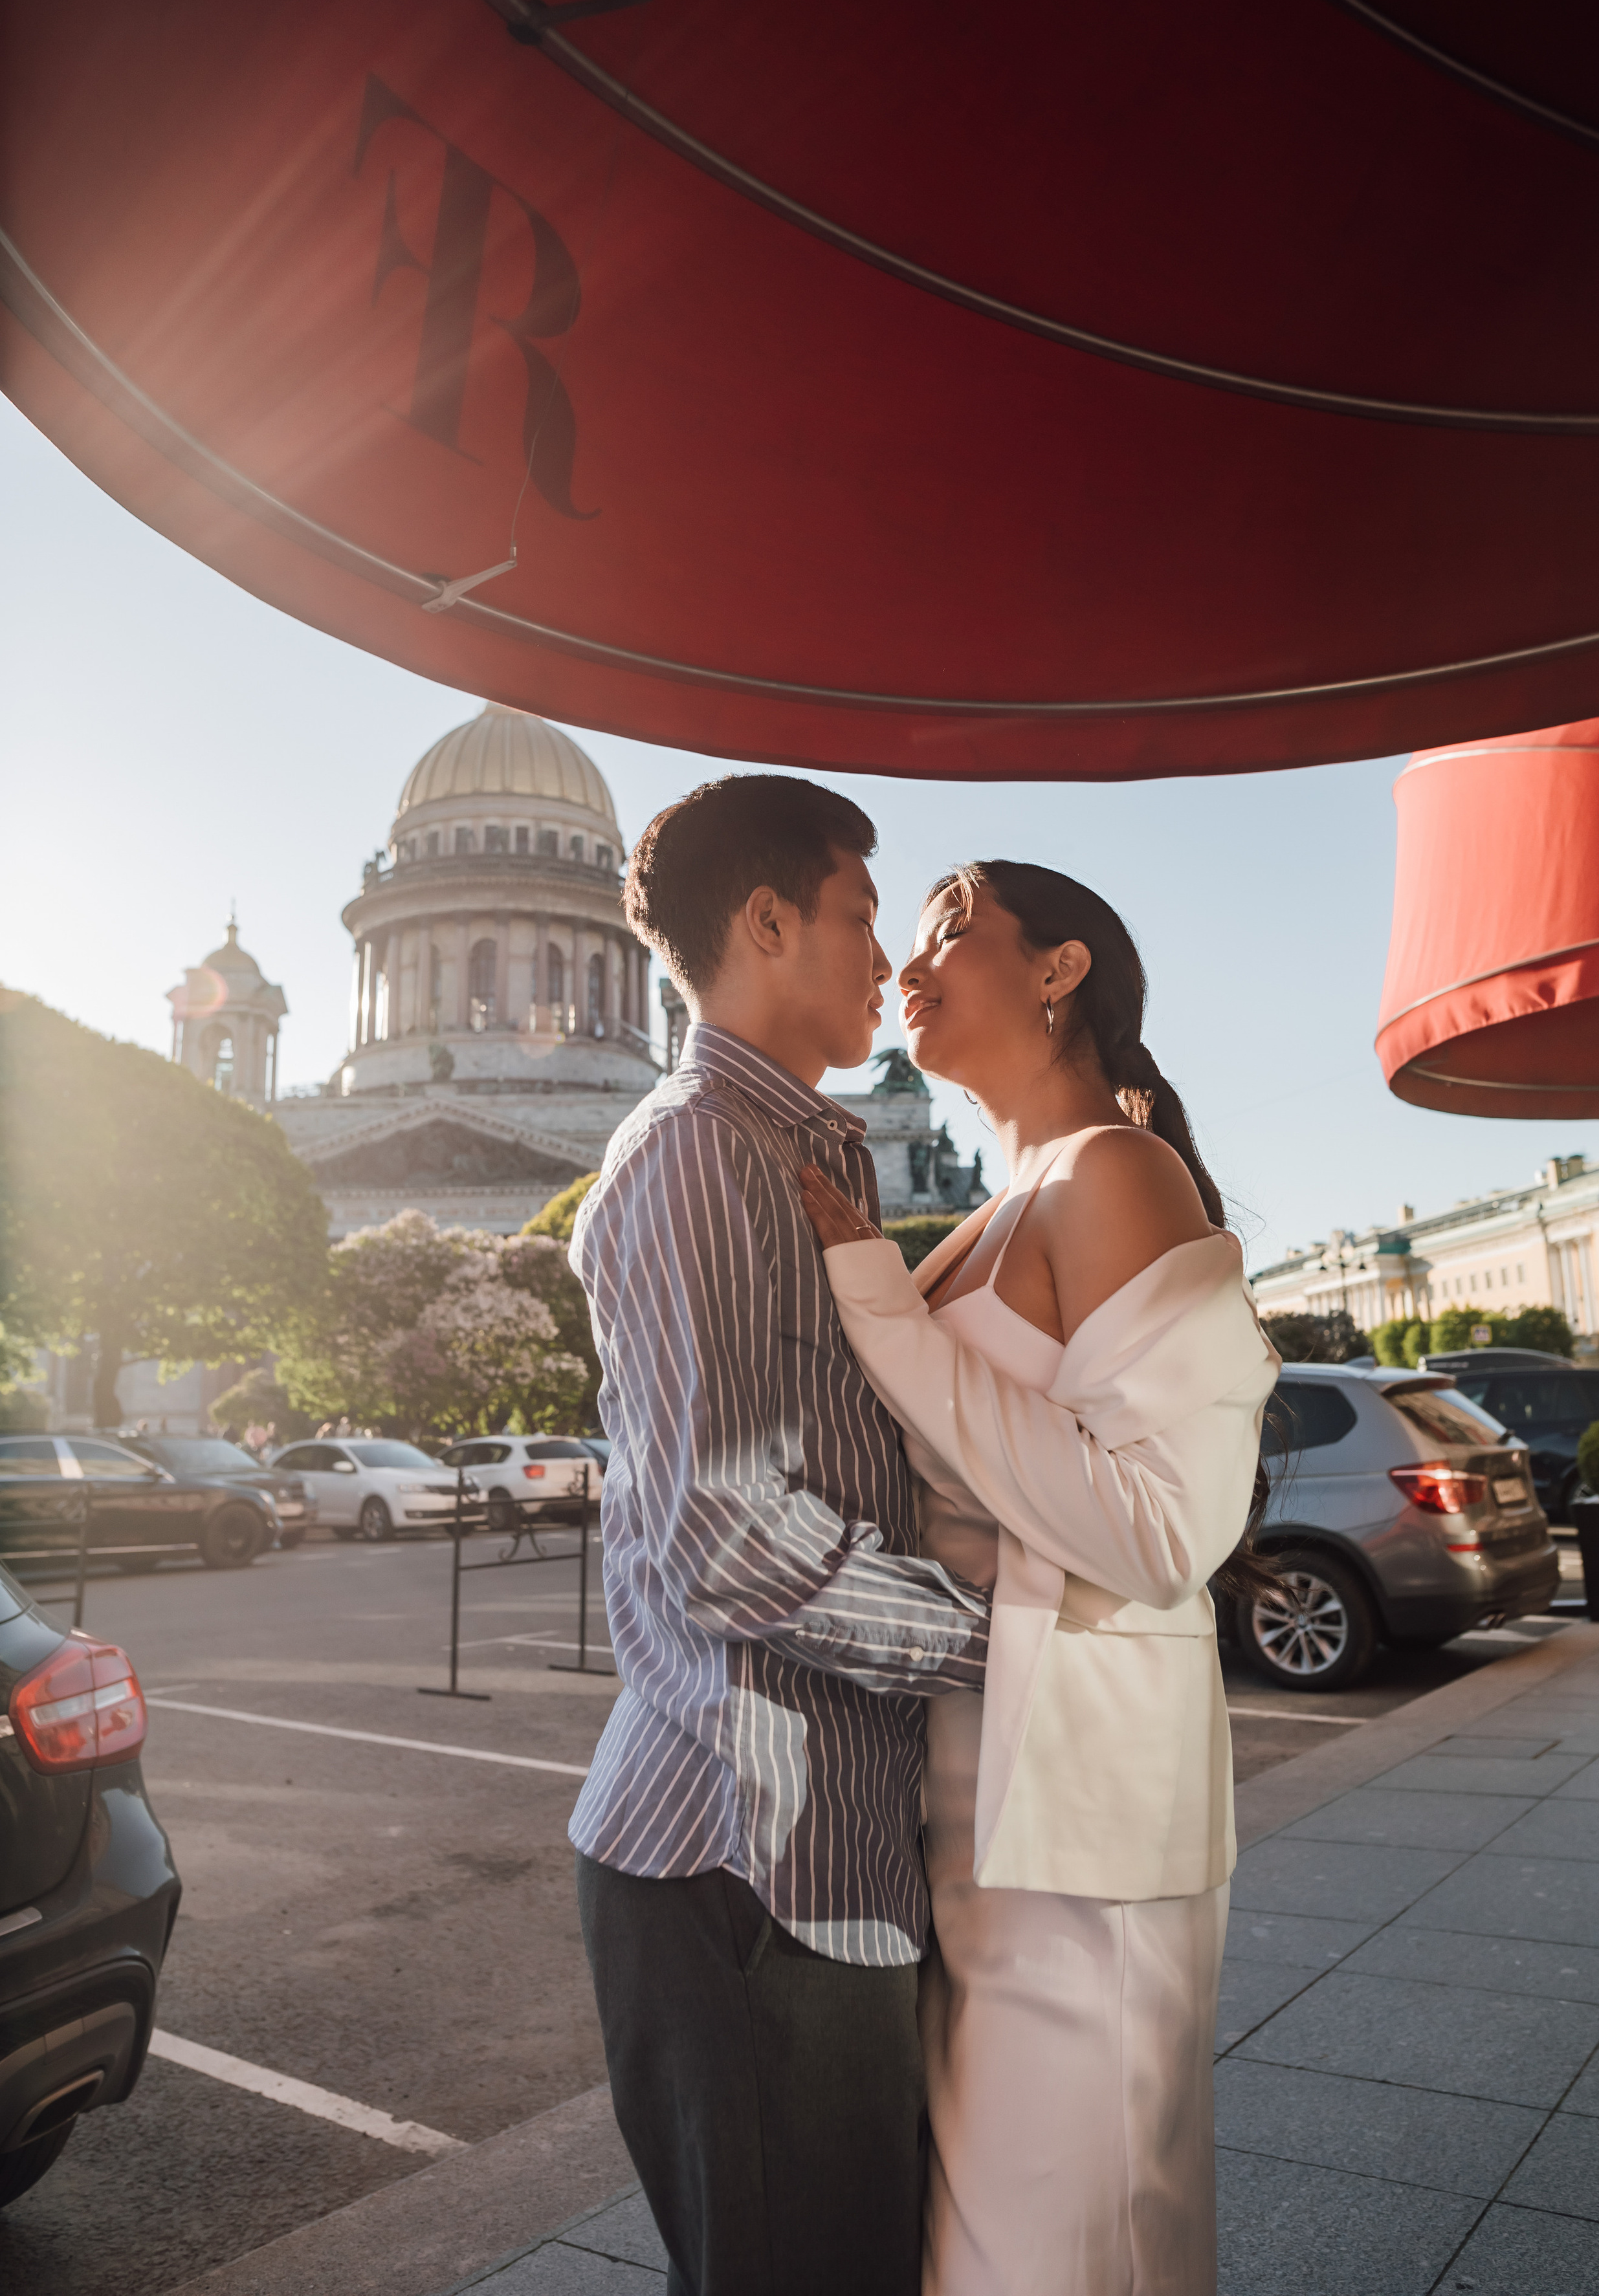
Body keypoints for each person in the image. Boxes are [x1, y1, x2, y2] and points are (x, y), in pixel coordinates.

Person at [799, 860, 1278, 2296]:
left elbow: (1159, 1535)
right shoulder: (999, 1208)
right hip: (974, 1789)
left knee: (1054, 2244)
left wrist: (881, 1314)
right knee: (1000, 2240)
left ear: (1059, 970)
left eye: (952, 931)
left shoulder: (1115, 1173)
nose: (909, 963)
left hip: (1078, 1810)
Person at [568, 776, 992, 2296]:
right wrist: (1005, 1644)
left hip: (821, 1845)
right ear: (763, 922)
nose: (884, 961)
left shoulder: (803, 1152)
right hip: (743, 1862)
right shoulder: (699, 1153)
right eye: (860, 918)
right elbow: (726, 1533)